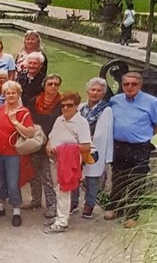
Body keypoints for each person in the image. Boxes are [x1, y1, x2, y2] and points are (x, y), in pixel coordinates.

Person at [104, 72, 157, 228]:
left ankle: (132, 214)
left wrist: (142, 136)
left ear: (140, 85)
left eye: (133, 84)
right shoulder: (115, 101)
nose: (129, 87)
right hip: (118, 145)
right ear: (122, 85)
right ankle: (115, 207)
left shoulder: (151, 102)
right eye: (126, 84)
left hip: (139, 147)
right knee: (118, 177)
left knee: (137, 180)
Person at [0, 81, 35, 227]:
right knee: (0, 181)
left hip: (13, 153)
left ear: (18, 94)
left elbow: (30, 132)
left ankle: (16, 210)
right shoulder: (1, 109)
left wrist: (15, 121)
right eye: (8, 93)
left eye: (13, 92)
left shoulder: (23, 112)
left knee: (13, 182)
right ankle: (0, 206)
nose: (10, 95)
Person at [43, 91, 92, 234]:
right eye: (63, 105)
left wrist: (63, 150)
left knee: (64, 191)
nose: (65, 108)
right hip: (55, 160)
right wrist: (48, 147)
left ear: (76, 106)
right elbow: (51, 137)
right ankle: (60, 216)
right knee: (57, 189)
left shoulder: (81, 123)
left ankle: (62, 223)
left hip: (68, 161)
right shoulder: (60, 119)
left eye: (69, 105)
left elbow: (86, 146)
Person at [72, 77, 113, 219]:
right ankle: (73, 202)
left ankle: (89, 204)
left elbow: (103, 132)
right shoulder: (80, 107)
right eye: (92, 89)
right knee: (75, 175)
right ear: (87, 91)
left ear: (103, 93)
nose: (95, 93)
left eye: (99, 91)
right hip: (78, 145)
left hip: (94, 147)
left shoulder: (106, 110)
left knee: (92, 178)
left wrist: (88, 140)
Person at [23, 74, 63, 219]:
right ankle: (35, 200)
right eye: (50, 84)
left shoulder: (62, 103)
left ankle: (52, 205)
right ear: (44, 85)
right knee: (33, 174)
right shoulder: (34, 101)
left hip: (51, 144)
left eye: (56, 84)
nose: (53, 87)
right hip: (35, 142)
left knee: (48, 177)